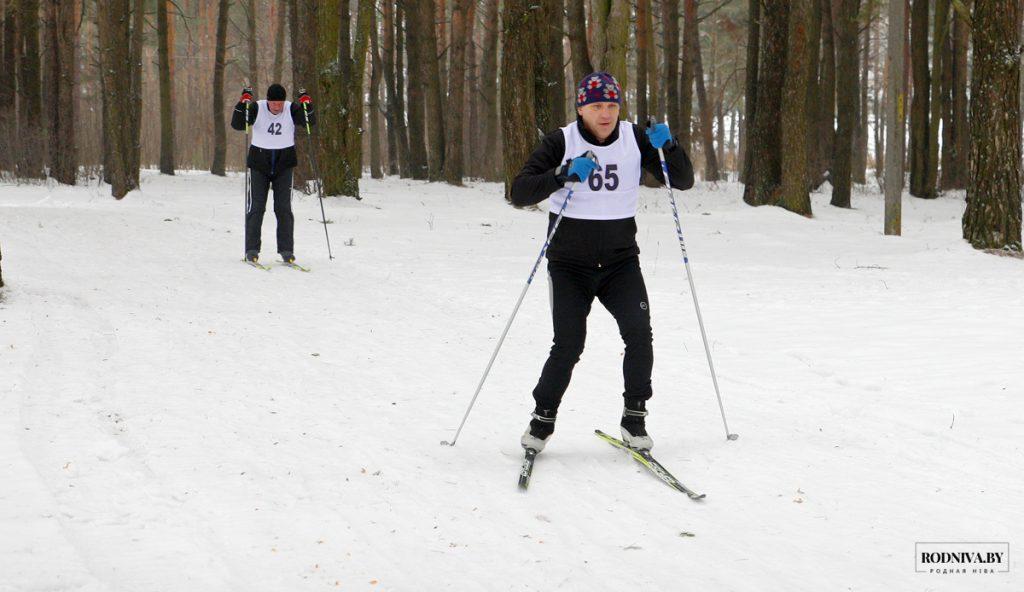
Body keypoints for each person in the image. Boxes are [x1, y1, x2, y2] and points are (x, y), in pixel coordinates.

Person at [509, 71, 694, 453]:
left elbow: (683, 180)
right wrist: (561, 174)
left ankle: (634, 418)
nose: (606, 113)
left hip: (619, 263)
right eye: (596, 106)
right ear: (581, 108)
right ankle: (542, 419)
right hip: (569, 264)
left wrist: (671, 147)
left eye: (611, 105)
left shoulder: (634, 138)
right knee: (569, 342)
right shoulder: (562, 140)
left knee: (639, 333)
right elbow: (520, 191)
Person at [231, 83, 316, 265]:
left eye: (280, 102)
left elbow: (309, 122)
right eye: (274, 103)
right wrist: (242, 103)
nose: (277, 107)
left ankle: (287, 251)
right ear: (267, 100)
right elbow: (238, 124)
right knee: (256, 207)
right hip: (259, 164)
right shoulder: (258, 107)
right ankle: (252, 250)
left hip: (283, 164)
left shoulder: (290, 108)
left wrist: (307, 105)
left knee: (283, 208)